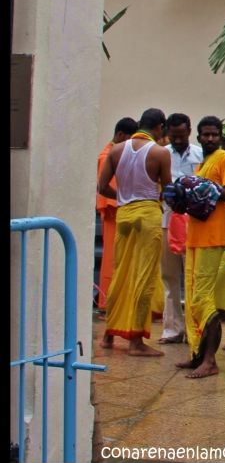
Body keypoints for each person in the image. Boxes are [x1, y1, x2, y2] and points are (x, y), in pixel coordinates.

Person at [98, 109, 171, 356]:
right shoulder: (161, 153)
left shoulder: (117, 150)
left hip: (124, 214)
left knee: (121, 273)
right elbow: (168, 190)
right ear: (160, 127)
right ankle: (136, 342)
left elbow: (101, 186)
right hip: (148, 213)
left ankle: (109, 334)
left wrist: (121, 198)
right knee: (144, 276)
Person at [175, 116, 225, 379]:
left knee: (204, 298)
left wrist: (205, 188)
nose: (210, 138)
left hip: (213, 239)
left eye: (214, 134)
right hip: (195, 238)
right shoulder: (203, 163)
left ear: (220, 136)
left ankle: (210, 361)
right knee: (191, 299)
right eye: (206, 135)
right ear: (198, 137)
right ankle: (197, 354)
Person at [159, 113, 202, 344]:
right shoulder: (160, 154)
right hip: (166, 220)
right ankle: (172, 329)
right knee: (169, 275)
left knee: (193, 276)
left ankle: (193, 329)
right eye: (173, 136)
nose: (177, 140)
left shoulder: (199, 154)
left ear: (189, 131)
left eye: (181, 136)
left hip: (192, 222)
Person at [95, 117, 138, 312]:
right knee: (113, 260)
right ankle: (108, 302)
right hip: (115, 212)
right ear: (121, 135)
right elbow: (110, 189)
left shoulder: (114, 153)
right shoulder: (109, 156)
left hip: (121, 211)